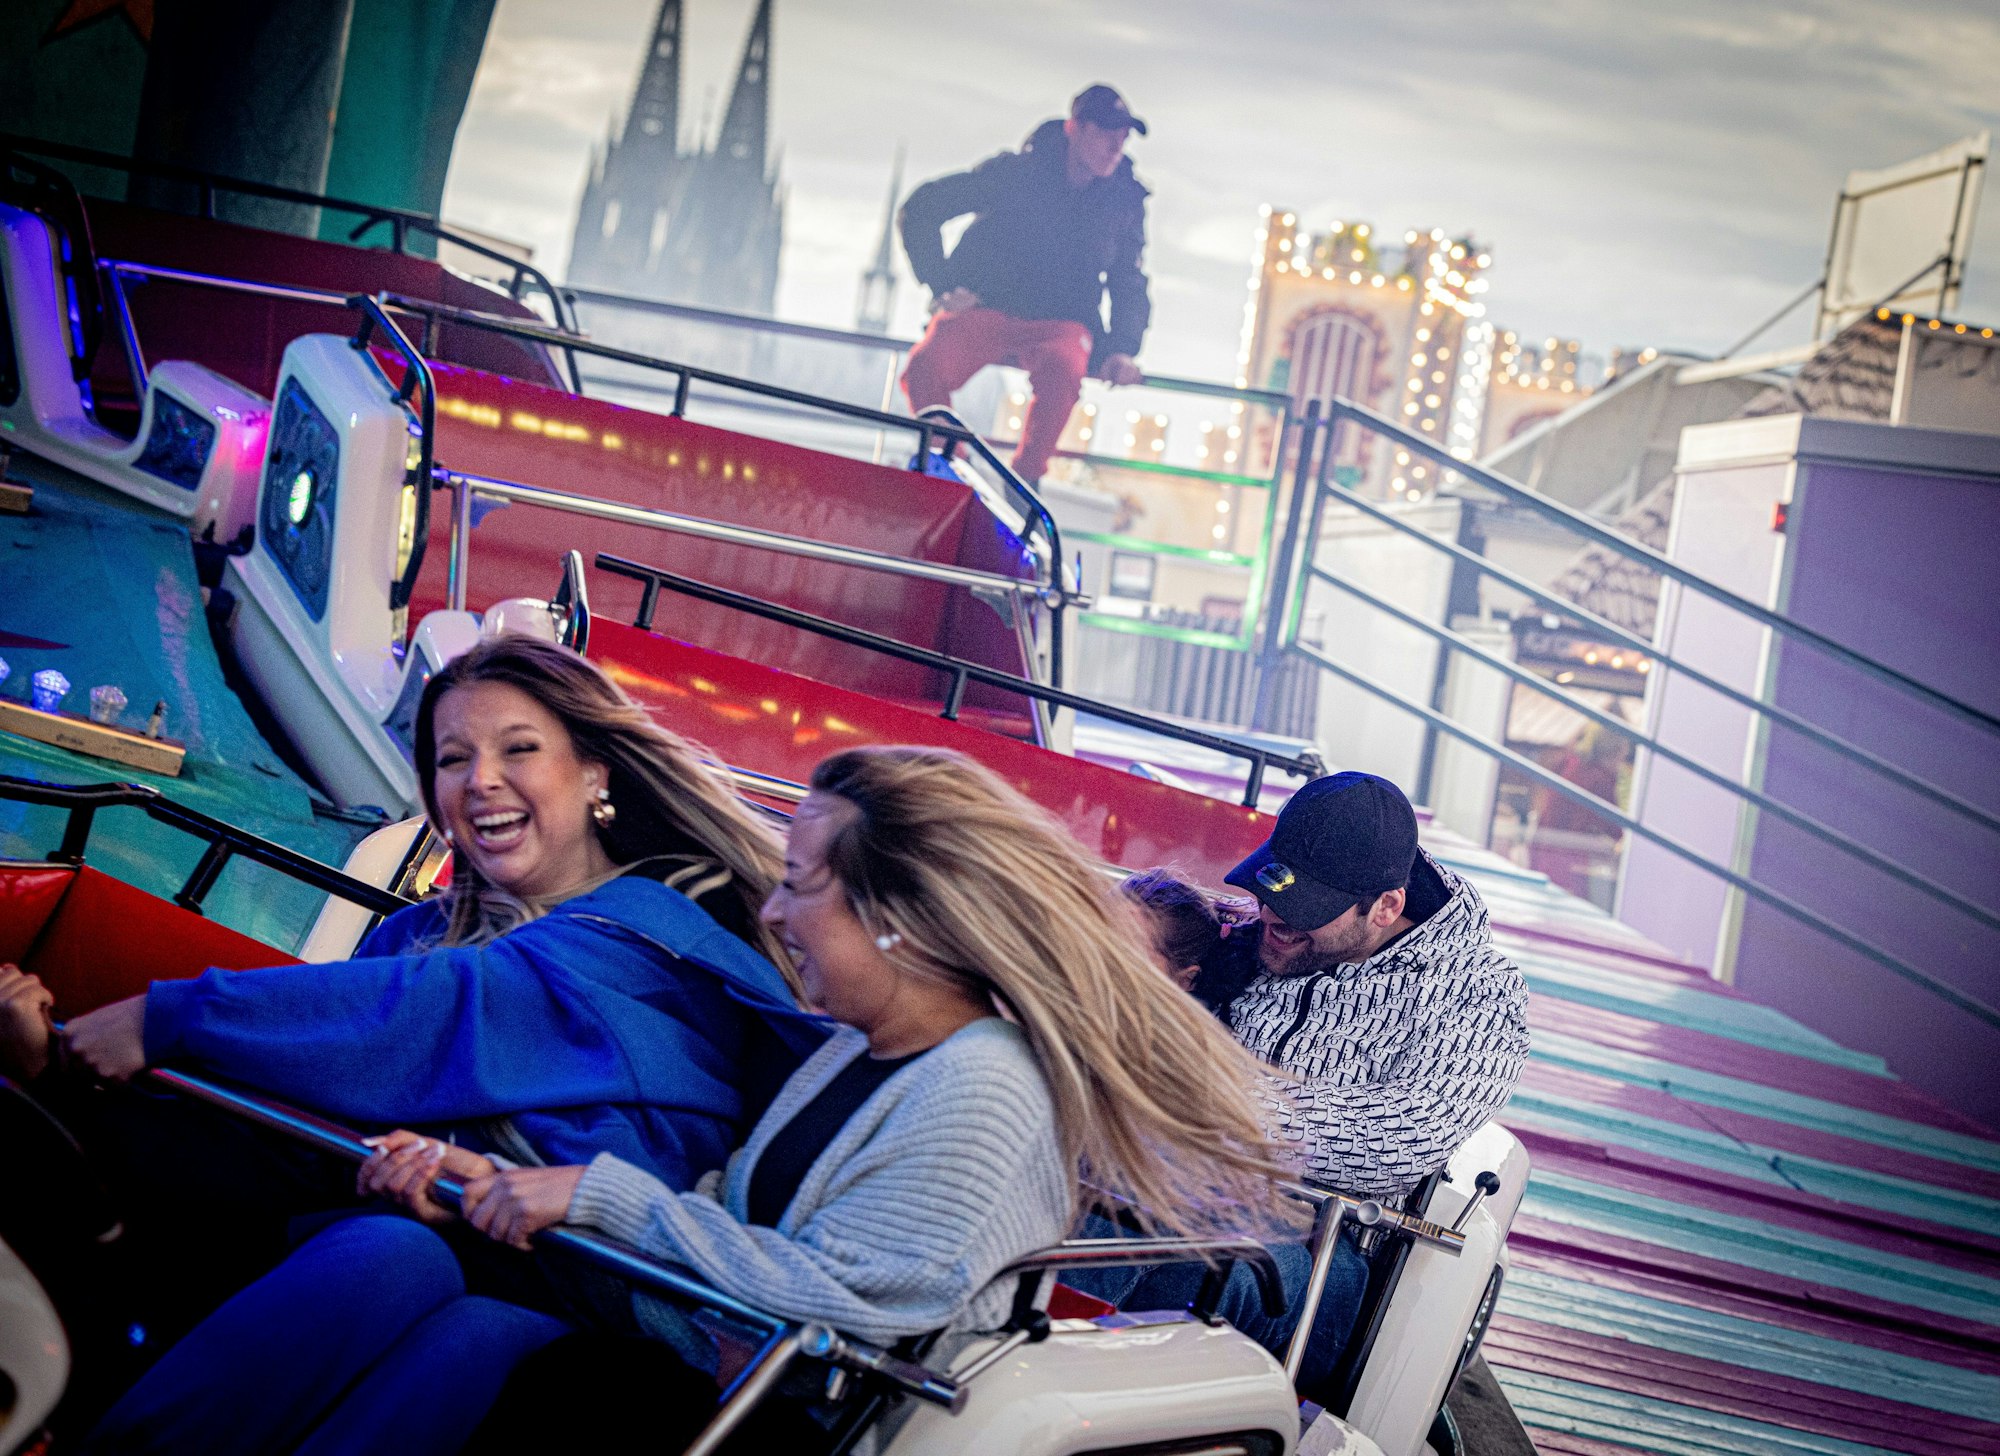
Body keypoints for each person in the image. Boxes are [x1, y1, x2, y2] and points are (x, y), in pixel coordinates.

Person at [85, 746, 1294, 1453]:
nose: (772, 911)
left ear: (895, 921)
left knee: (476, 1349)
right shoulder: (862, 1043)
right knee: (392, 1259)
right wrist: (498, 1183)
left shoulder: (984, 1091)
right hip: (686, 1351)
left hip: (775, 1417)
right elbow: (727, 1212)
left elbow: (840, 1303)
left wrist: (592, 1198)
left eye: (801, 885)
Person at [4, 636, 823, 1397]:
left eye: (518, 749)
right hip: (378, 1220)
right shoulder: (419, 936)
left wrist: (165, 1017)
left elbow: (457, 1010)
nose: (481, 780)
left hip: (586, 1285)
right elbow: (313, 1091)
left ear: (594, 773)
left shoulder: (660, 928)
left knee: (383, 1258)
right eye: (453, 759)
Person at [1073, 772, 1530, 1392]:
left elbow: (1398, 1140)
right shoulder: (1260, 932)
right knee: (1087, 1175)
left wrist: (1199, 1099)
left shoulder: (1480, 997)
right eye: (1270, 893)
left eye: (1306, 909)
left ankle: (1037, 1376)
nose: (1271, 917)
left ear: (1386, 907)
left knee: (1194, 1259)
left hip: (1328, 1245)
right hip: (1187, 1183)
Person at [899, 83, 1152, 483]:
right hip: (989, 307)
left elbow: (1129, 278)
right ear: (1075, 128)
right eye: (1106, 133)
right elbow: (922, 207)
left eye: (1122, 137)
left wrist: (1123, 347)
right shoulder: (1016, 173)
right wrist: (942, 285)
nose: (1115, 146)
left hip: (1063, 322)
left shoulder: (1124, 200)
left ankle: (1022, 486)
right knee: (924, 366)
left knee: (1064, 371)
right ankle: (952, 468)